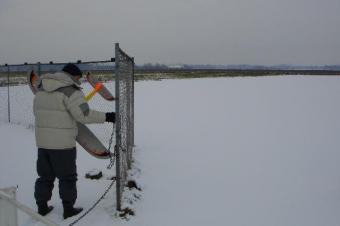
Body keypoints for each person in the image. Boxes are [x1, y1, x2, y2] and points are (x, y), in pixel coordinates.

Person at [33, 63, 116, 219]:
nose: (79, 81)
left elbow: (36, 112)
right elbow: (84, 114)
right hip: (63, 145)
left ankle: (42, 207)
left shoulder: (41, 89)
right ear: (74, 75)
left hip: (43, 144)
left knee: (45, 176)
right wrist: (107, 117)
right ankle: (68, 209)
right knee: (67, 177)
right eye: (79, 78)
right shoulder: (72, 91)